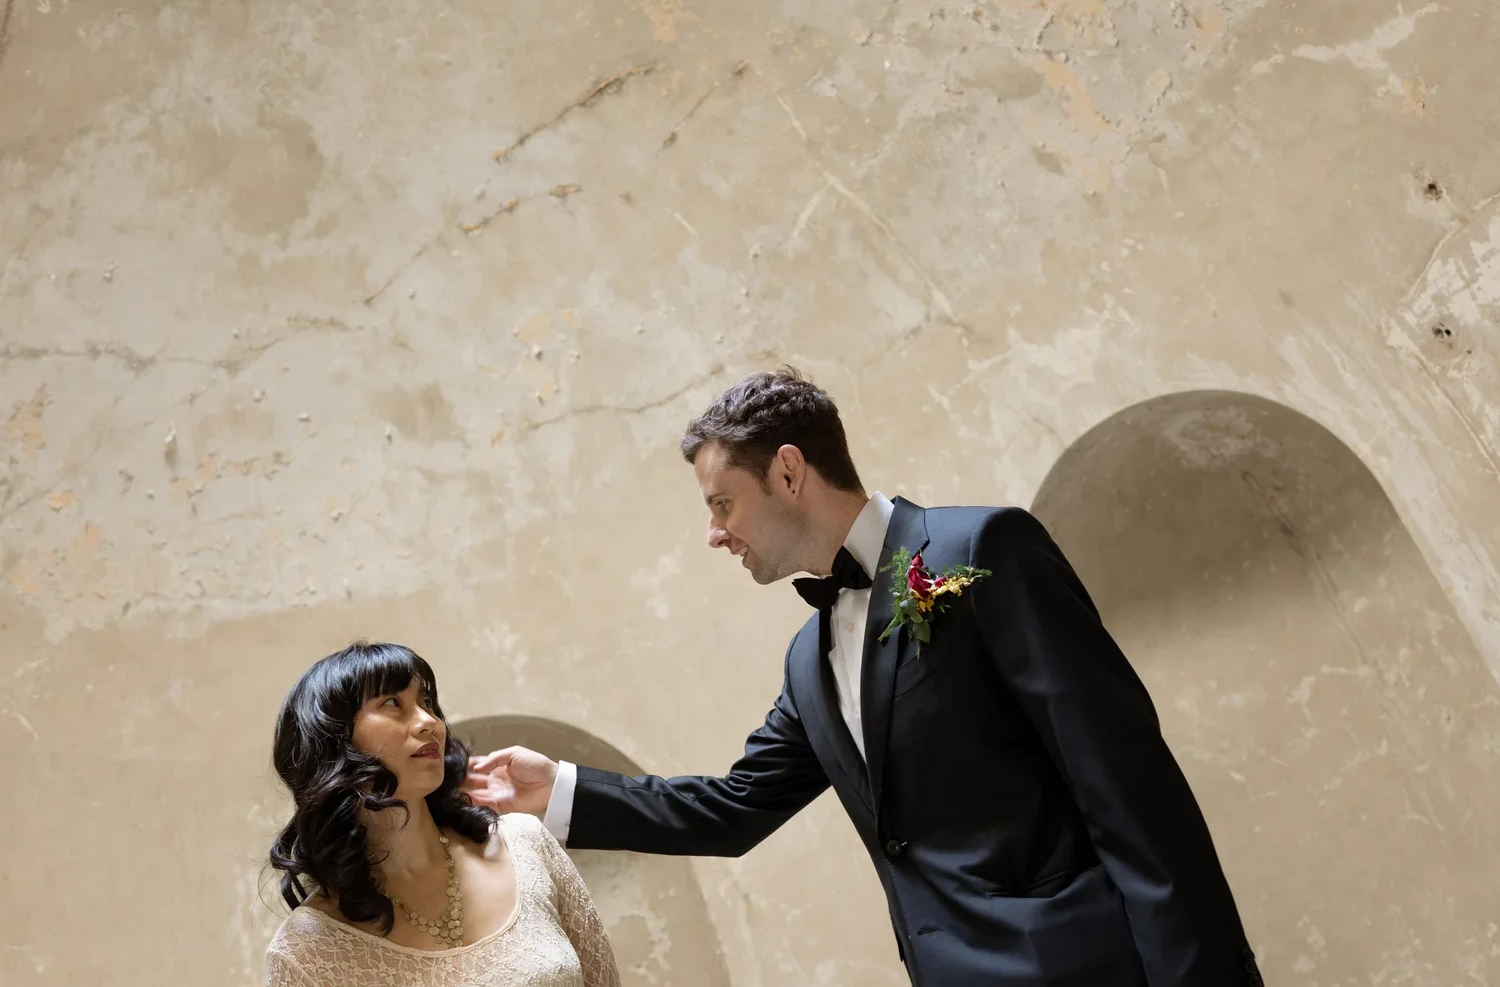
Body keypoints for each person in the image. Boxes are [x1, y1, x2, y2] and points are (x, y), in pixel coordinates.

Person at [466, 366, 1263, 987]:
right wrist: (559, 789)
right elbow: (735, 809)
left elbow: (1129, 788)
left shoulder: (982, 550)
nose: (714, 535)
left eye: (723, 505)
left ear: (787, 471)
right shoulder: (807, 664)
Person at [264, 641, 619, 987]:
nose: (429, 722)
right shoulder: (304, 951)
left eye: (428, 703)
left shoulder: (525, 844)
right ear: (332, 739)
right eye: (392, 703)